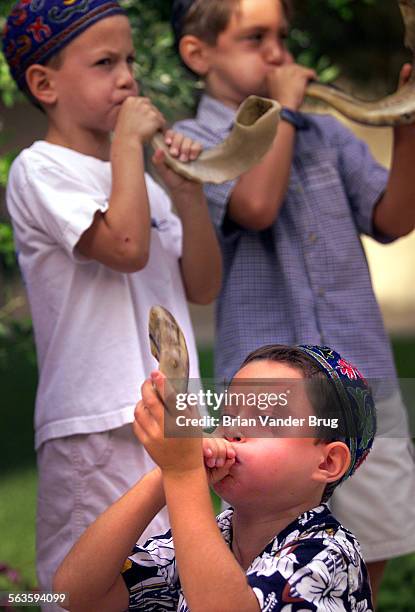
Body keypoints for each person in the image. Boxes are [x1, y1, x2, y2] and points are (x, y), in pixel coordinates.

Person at [170, 0, 415, 599]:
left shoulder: (324, 133)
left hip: (363, 385)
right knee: (263, 570)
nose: (278, 53)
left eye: (281, 36)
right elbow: (255, 206)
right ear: (199, 54)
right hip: (266, 410)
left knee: (364, 565)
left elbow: (393, 217)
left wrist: (406, 127)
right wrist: (283, 112)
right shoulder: (195, 142)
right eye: (255, 37)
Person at [3, 0, 221, 604]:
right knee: (89, 590)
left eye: (128, 60)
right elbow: (123, 246)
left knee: (171, 581)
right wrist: (128, 143)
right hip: (94, 425)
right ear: (44, 83)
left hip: (171, 422)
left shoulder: (143, 185)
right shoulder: (39, 169)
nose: (128, 77)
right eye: (105, 62)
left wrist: (187, 194)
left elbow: (202, 286)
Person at [54, 344, 376, 611]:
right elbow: (76, 592)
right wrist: (165, 473)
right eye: (229, 415)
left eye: (265, 417)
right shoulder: (215, 535)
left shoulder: (331, 553)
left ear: (327, 462)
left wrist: (183, 472)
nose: (234, 430)